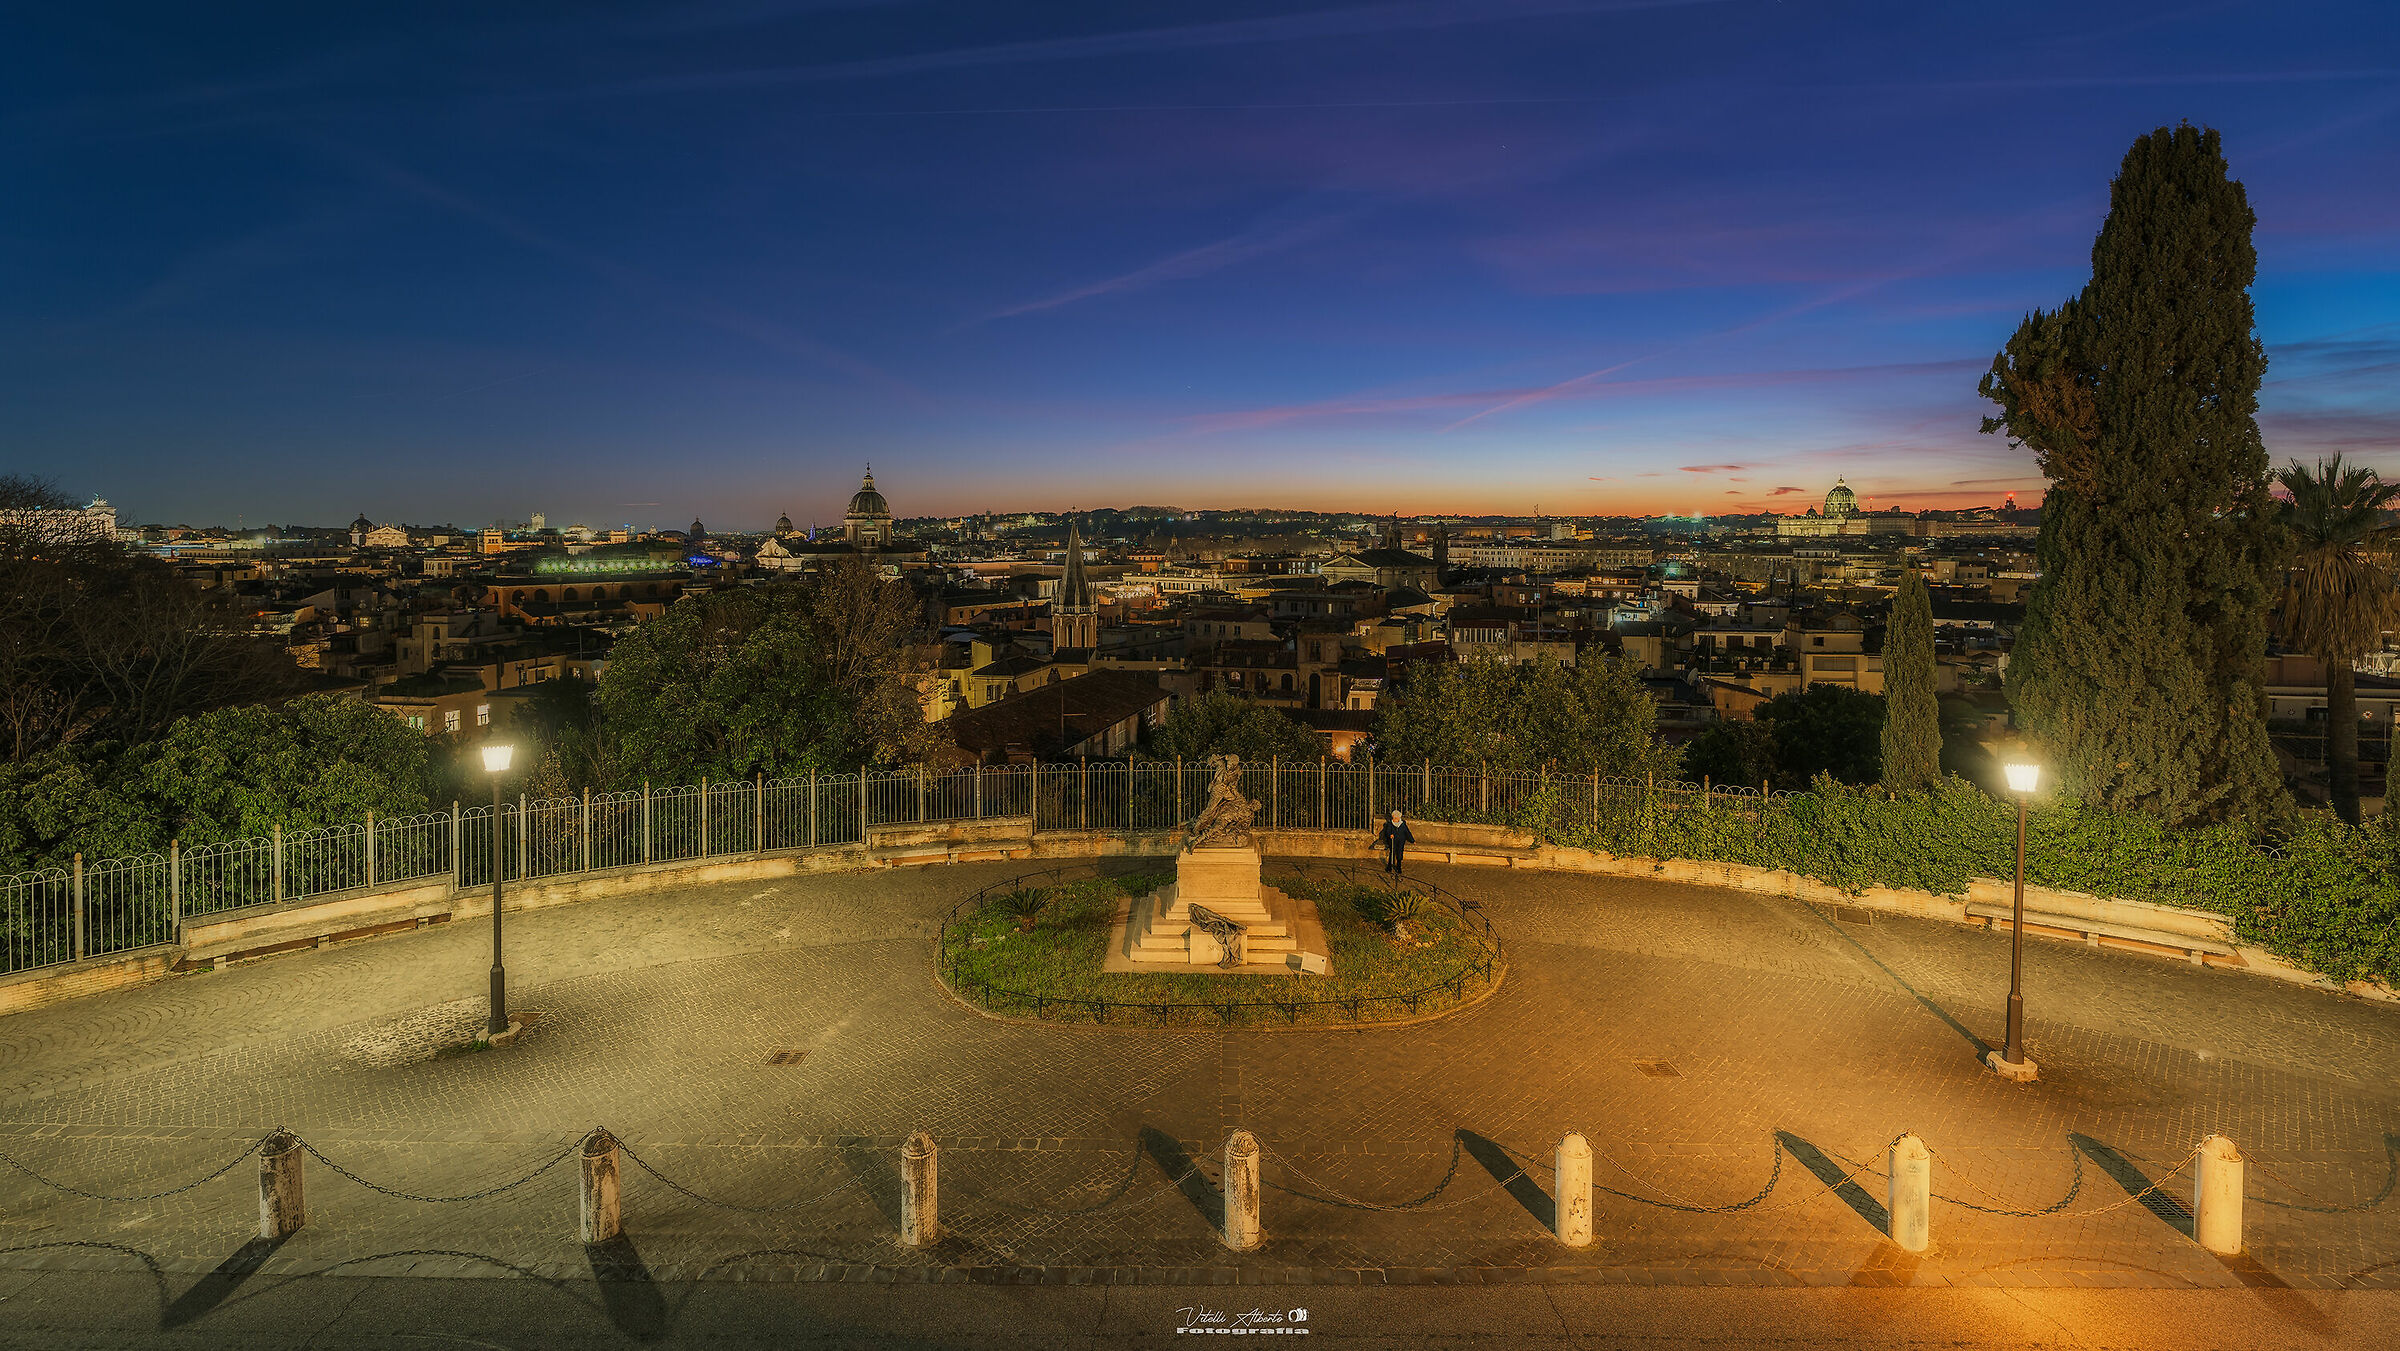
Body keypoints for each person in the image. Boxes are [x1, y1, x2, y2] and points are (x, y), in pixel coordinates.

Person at [1373, 809, 1415, 876]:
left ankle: (1399, 866)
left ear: (1399, 817)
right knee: (1392, 852)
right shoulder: (1390, 824)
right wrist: (1390, 835)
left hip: (1401, 841)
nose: (1395, 819)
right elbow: (1387, 831)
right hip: (1393, 841)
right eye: (1394, 817)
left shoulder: (1403, 824)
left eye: (1396, 817)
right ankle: (1389, 866)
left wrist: (1412, 840)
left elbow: (1407, 832)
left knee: (1400, 852)